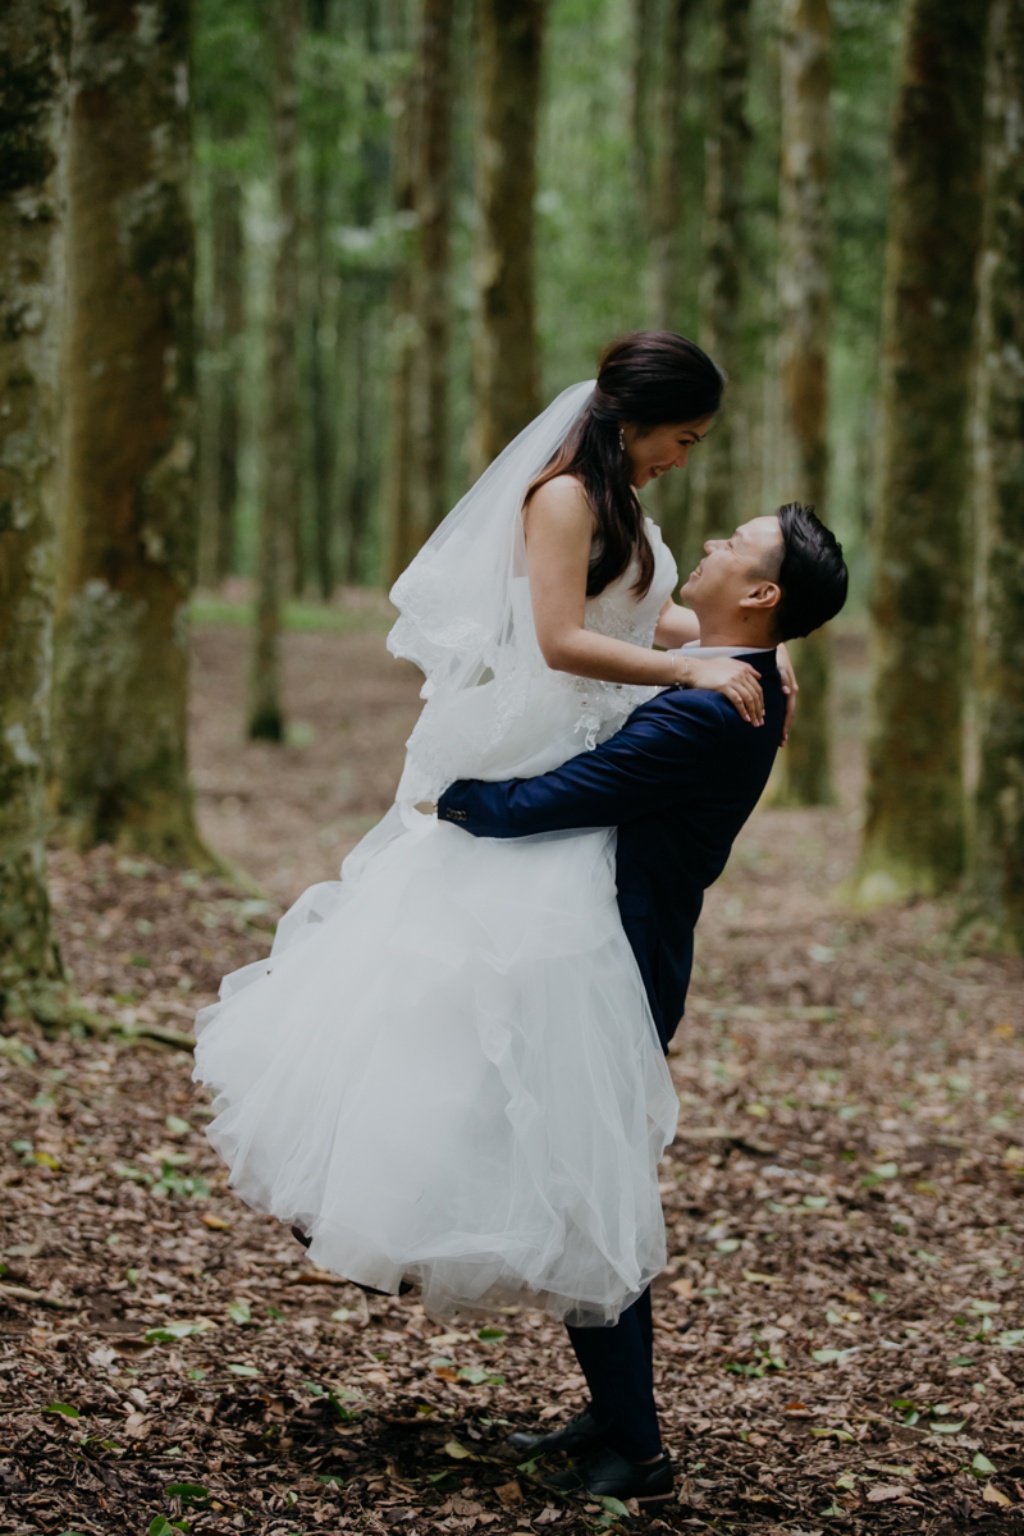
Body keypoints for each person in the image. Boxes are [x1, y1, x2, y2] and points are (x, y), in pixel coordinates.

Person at [191, 331, 793, 1463]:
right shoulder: (563, 495)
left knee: (539, 1091)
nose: (684, 459)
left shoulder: (616, 505)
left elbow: (629, 610)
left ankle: (619, 1424)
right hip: (533, 760)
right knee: (459, 1039)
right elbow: (564, 640)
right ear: (637, 417)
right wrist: (702, 665)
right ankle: (587, 1391)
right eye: (684, 437)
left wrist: (741, 649)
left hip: (579, 793)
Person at [437, 501, 848, 1506]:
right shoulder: (731, 677)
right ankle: (612, 1416)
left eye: (730, 547)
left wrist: (446, 797)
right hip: (606, 954)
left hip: (612, 969)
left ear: (760, 592)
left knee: (591, 1194)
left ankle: (640, 1453)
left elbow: (551, 801)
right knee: (581, 1178)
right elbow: (625, 627)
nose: (704, 545)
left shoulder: (714, 707)